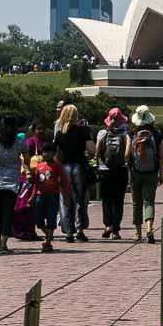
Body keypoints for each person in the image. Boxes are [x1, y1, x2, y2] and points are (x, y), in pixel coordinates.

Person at [0, 115, 27, 254]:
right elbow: (27, 157)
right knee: (8, 212)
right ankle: (4, 243)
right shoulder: (20, 141)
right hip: (12, 180)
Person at [54, 104, 93, 243]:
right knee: (80, 199)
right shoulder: (83, 131)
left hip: (64, 167)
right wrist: (88, 157)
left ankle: (69, 231)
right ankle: (80, 229)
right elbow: (92, 149)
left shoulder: (59, 134)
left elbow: (57, 154)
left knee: (66, 199)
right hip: (79, 165)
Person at [126, 106, 163, 244]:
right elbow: (161, 155)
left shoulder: (132, 133)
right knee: (149, 201)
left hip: (136, 171)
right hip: (151, 172)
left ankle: (138, 232)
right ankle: (149, 227)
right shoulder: (157, 134)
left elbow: (126, 153)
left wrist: (129, 167)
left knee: (136, 202)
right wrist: (160, 173)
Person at [95, 108, 129, 239]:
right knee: (118, 201)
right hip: (120, 170)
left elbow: (97, 153)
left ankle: (107, 225)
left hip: (105, 171)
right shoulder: (124, 134)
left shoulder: (102, 133)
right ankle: (115, 230)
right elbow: (127, 154)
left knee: (106, 200)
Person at [29, 151, 69, 252]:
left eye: (49, 152)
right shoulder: (39, 166)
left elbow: (64, 182)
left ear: (53, 153)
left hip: (53, 195)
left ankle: (47, 243)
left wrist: (66, 197)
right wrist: (32, 197)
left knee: (51, 218)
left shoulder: (57, 166)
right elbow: (36, 183)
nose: (47, 155)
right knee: (38, 219)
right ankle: (48, 234)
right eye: (45, 152)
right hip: (40, 195)